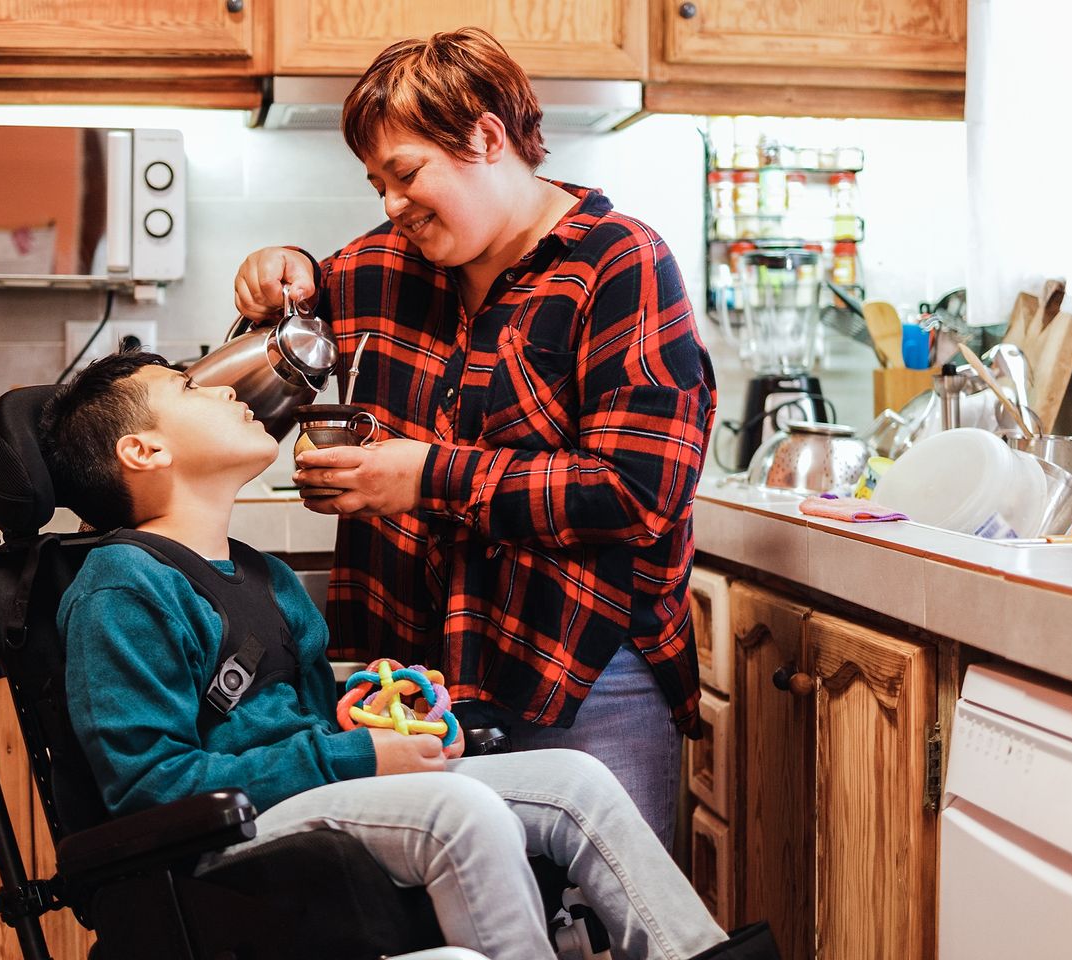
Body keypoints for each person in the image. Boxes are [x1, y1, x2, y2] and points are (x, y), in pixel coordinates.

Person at [38, 349, 733, 960]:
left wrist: (363, 718)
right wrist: (357, 757)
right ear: (144, 452)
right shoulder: (123, 589)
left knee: (577, 781)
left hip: (299, 803)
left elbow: (302, 728)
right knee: (463, 812)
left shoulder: (265, 578)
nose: (228, 391)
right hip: (218, 838)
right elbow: (149, 790)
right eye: (191, 389)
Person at [231, 27, 716, 847]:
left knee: (606, 924)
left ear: (488, 138)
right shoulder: (376, 266)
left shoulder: (618, 263)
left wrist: (425, 478)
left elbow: (638, 493)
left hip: (586, 677)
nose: (391, 203)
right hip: (408, 693)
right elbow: (246, 393)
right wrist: (272, 283)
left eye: (408, 173)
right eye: (378, 182)